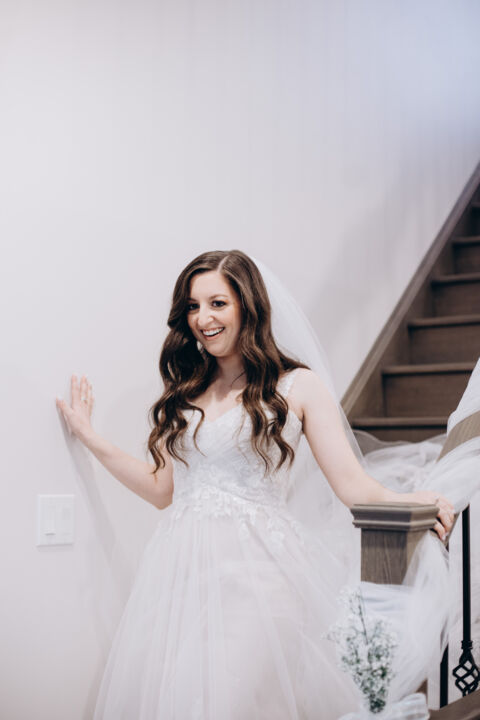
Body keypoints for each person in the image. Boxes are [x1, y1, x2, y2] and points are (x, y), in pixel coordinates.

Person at [56, 250, 459, 719]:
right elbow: (163, 490)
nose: (203, 318)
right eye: (193, 306)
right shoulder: (185, 393)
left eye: (217, 303)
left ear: (248, 306)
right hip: (181, 579)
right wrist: (90, 437)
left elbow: (352, 485)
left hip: (258, 580)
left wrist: (410, 499)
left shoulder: (297, 386)